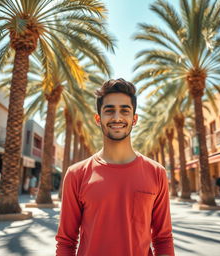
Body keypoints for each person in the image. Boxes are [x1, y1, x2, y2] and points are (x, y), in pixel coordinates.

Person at [56, 78, 174, 256]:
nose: (117, 117)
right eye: (109, 111)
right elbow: (66, 242)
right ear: (98, 118)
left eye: (124, 111)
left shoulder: (156, 172)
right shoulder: (76, 174)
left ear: (134, 119)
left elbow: (163, 239)